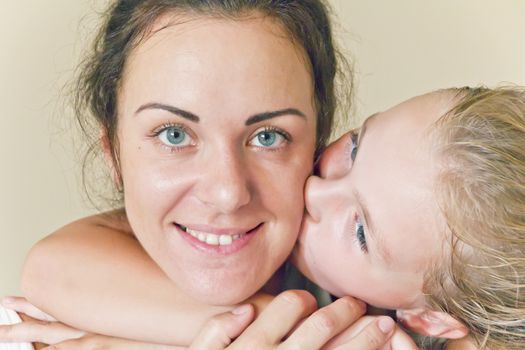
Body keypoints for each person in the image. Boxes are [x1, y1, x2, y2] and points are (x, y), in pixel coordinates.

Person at [0, 0, 411, 349]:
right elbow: (51, 266)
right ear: (114, 155)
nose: (227, 193)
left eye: (269, 137)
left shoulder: (417, 307)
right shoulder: (25, 330)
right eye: (174, 134)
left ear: (317, 149)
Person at [3, 86, 524, 350]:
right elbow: (52, 268)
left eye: (361, 230)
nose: (317, 191)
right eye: (356, 148)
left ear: (432, 317)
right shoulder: (271, 233)